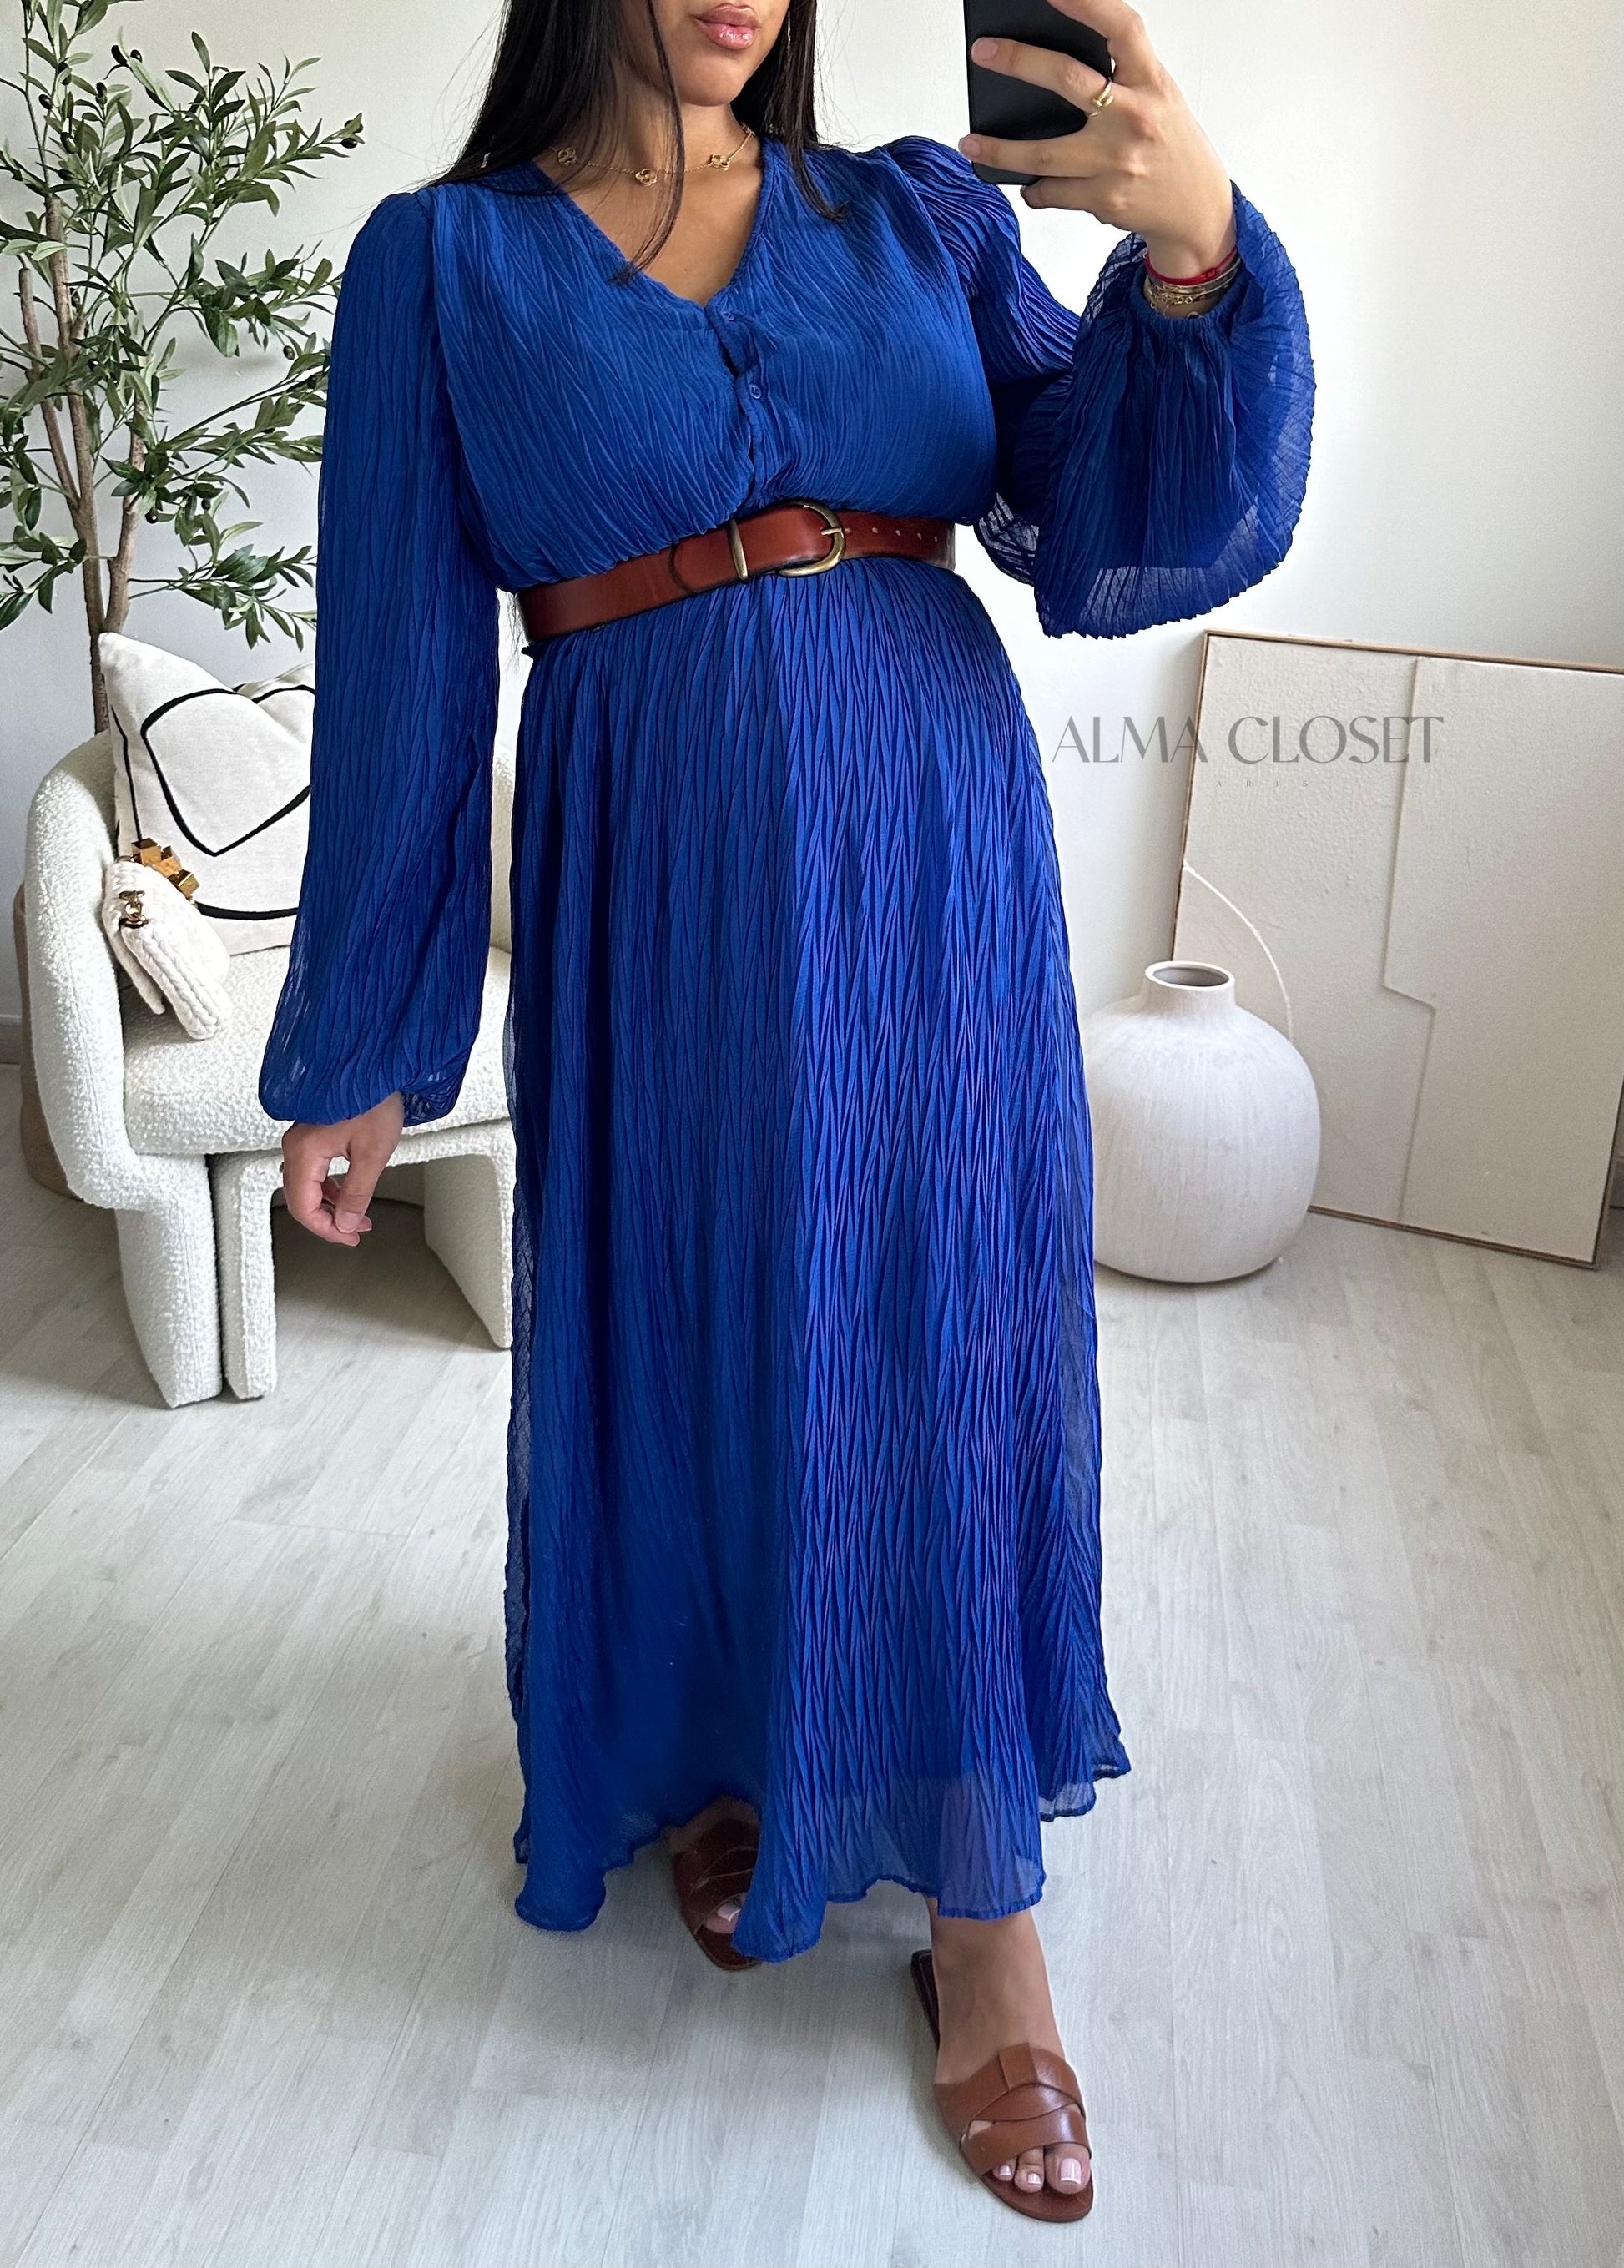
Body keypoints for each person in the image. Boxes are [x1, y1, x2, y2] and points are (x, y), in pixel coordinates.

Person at [259, 0, 1312, 2224]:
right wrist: (363, 1039)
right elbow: (401, 673)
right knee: (712, 1317)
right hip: (658, 884)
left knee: (941, 1327)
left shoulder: (915, 216)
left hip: (927, 851)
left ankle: (986, 1923)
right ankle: (758, 1748)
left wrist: (1193, 256)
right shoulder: (445, 265)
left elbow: (1101, 519)